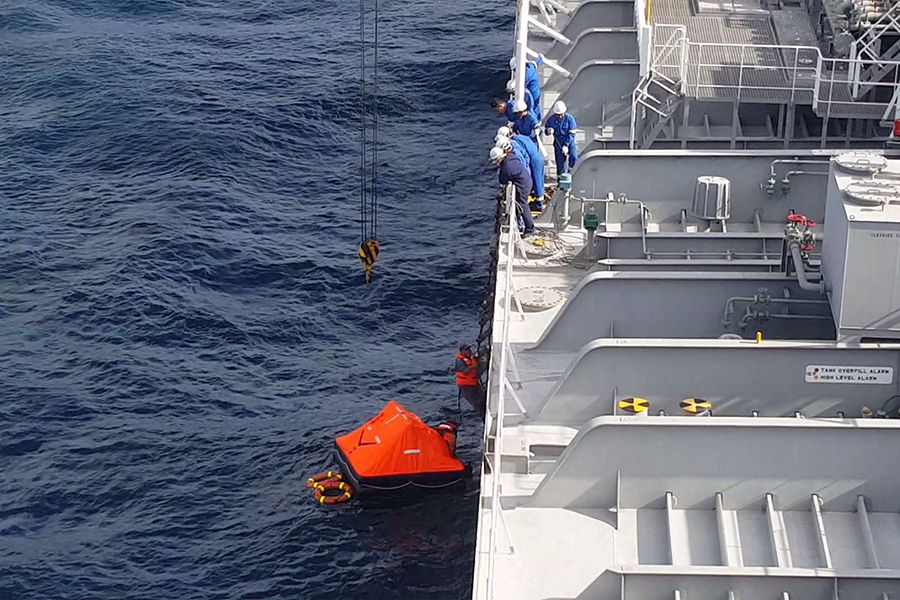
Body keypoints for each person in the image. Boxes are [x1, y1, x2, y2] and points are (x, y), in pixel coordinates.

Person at [489, 145, 535, 235]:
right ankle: (521, 223)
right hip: (526, 180)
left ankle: (530, 228)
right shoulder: (511, 157)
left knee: (522, 205)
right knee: (521, 204)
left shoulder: (506, 168)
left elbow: (502, 180)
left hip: (523, 186)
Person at [495, 134, 545, 212]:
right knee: (539, 182)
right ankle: (538, 200)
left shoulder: (515, 150)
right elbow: (526, 156)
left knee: (537, 183)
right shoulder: (518, 139)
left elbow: (523, 161)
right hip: (537, 157)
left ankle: (539, 205)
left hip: (534, 162)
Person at [544, 101, 578, 176]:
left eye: (561, 114)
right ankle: (561, 180)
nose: (560, 116)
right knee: (560, 164)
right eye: (558, 115)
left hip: (569, 141)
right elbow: (546, 129)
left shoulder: (569, 119)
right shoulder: (551, 119)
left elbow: (572, 133)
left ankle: (571, 170)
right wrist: (549, 131)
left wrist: (566, 145)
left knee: (574, 156)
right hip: (558, 142)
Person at [454, 345, 486, 416]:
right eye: (466, 350)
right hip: (466, 386)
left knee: (482, 398)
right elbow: (465, 371)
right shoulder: (460, 361)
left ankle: (483, 412)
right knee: (477, 402)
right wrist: (472, 366)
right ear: (462, 352)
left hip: (474, 383)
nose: (468, 351)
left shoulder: (471, 357)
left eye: (469, 349)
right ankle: (482, 416)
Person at [510, 54, 544, 119]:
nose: (514, 71)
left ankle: (536, 121)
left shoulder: (526, 75)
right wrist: (540, 58)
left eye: (515, 69)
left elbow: (521, 85)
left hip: (532, 93)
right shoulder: (530, 67)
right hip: (535, 91)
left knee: (531, 108)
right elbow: (535, 63)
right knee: (535, 107)